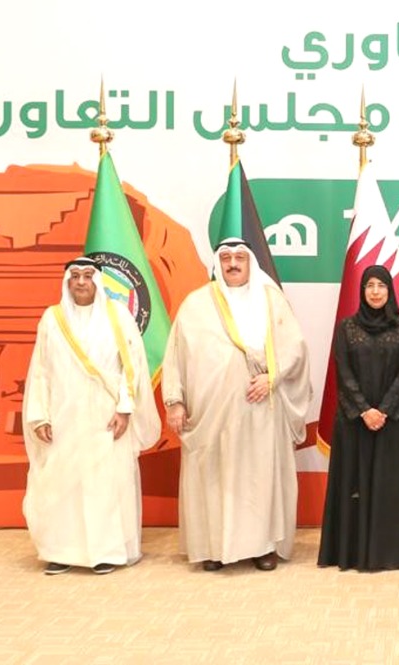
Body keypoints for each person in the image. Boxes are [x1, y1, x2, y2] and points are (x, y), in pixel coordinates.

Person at [162, 239, 313, 572]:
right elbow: (175, 355)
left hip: (260, 409)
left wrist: (273, 377)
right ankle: (214, 548)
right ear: (218, 263)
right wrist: (175, 401)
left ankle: (262, 547)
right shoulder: (196, 304)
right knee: (215, 478)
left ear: (250, 264)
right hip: (209, 411)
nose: (232, 264)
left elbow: (294, 346)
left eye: (239, 258)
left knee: (259, 477)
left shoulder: (271, 301)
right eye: (226, 258)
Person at [22, 257, 160, 575]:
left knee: (106, 484)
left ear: (97, 282)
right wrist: (39, 416)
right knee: (61, 483)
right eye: (75, 277)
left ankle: (107, 551)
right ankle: (61, 551)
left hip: (106, 418)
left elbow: (133, 366)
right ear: (67, 282)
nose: (81, 282)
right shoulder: (52, 319)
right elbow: (40, 371)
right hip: (63, 418)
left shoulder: (117, 317)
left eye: (87, 276)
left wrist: (125, 408)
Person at [318, 265, 399, 571]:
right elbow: (343, 372)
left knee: (391, 486)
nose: (375, 291)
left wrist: (386, 410)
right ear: (362, 291)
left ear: (390, 291)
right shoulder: (346, 328)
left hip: (394, 422)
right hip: (355, 422)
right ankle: (353, 554)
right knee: (356, 484)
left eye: (381, 285)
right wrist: (365, 410)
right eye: (370, 286)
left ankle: (392, 553)